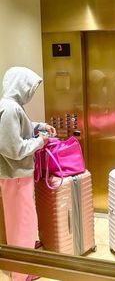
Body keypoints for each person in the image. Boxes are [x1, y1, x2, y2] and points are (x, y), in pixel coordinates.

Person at [0, 66, 56, 281]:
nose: (31, 92)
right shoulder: (11, 108)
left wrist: (39, 126)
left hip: (14, 175)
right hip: (15, 175)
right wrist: (39, 142)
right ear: (20, 85)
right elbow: (13, 148)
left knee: (21, 221)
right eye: (30, 87)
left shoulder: (12, 106)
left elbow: (19, 129)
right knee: (23, 222)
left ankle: (22, 269)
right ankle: (21, 275)